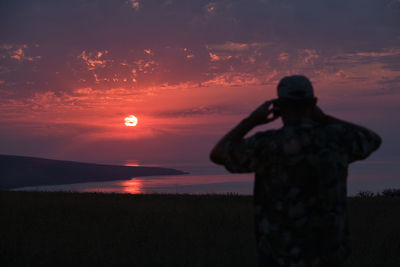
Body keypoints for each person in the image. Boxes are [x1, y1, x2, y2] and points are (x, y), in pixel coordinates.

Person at [209, 75, 382, 267]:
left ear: (279, 106)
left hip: (279, 256)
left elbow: (218, 153)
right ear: (314, 103)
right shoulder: (337, 140)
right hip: (328, 255)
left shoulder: (268, 145)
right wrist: (324, 119)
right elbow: (372, 139)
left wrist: (251, 121)